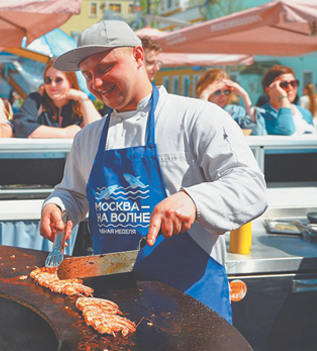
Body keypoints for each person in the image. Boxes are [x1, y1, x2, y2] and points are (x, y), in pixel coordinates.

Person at [39, 20, 266, 323]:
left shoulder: (198, 117)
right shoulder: (87, 137)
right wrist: (58, 206)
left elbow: (251, 187)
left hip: (191, 299)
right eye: (88, 75)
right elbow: (74, 193)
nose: (96, 83)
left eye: (105, 68)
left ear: (137, 56)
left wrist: (194, 200)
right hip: (112, 301)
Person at [12, 58, 101, 138]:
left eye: (58, 80)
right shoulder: (35, 100)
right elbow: (21, 126)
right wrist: (65, 133)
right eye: (48, 80)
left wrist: (83, 98)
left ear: (70, 82)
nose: (52, 85)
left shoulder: (80, 104)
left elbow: (97, 132)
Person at [195, 69, 265, 135]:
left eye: (226, 91)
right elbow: (198, 129)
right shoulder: (194, 110)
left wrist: (245, 96)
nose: (222, 95)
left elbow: (259, 131)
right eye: (217, 91)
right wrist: (204, 95)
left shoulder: (234, 111)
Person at [258, 66, 317, 136]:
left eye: (293, 83)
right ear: (268, 90)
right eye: (283, 84)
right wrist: (283, 97)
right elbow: (286, 130)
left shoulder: (304, 113)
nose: (290, 88)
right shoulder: (261, 115)